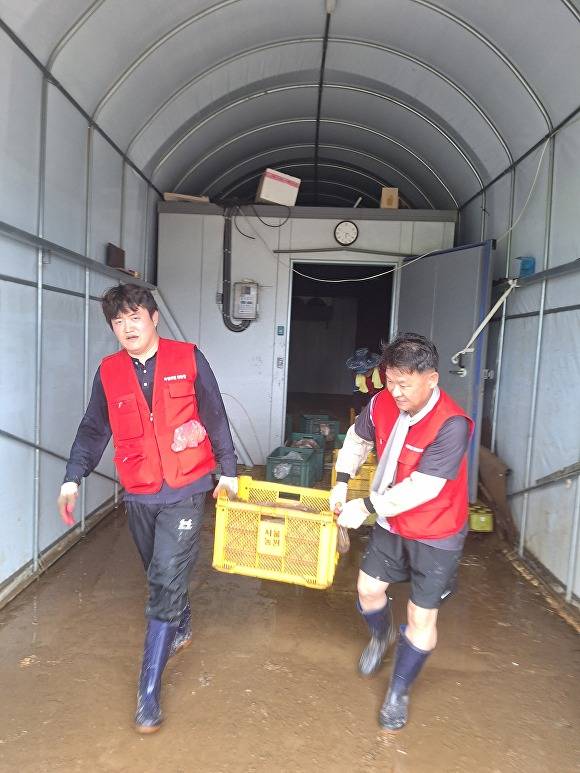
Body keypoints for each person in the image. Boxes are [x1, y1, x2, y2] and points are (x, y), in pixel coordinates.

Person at [57, 284, 238, 734]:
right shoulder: (109, 371)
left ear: (154, 318)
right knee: (158, 570)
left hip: (185, 485)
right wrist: (71, 476)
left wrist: (228, 469)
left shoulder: (188, 358)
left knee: (162, 580)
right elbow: (94, 427)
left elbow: (215, 413)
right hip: (138, 487)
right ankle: (183, 619)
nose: (127, 327)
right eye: (118, 321)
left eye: (135, 317)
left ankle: (149, 692)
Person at [329, 333, 472, 731]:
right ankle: (381, 636)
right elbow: (358, 439)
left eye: (404, 384)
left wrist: (368, 507)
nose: (395, 391)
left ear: (431, 378)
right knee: (368, 590)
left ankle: (399, 689)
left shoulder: (452, 424)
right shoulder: (381, 402)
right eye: (390, 380)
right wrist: (342, 480)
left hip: (436, 531)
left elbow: (425, 487)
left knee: (421, 615)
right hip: (393, 523)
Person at [346, 347, 386, 414]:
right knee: (357, 399)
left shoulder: (382, 372)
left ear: (372, 366)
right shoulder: (357, 374)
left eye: (366, 370)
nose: (364, 373)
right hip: (365, 393)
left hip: (378, 393)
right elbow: (357, 389)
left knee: (373, 402)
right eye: (361, 371)